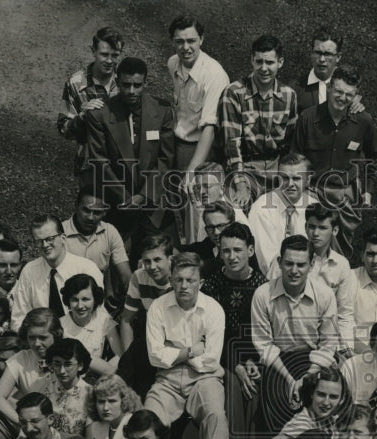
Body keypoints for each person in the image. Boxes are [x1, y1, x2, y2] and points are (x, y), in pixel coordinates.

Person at [144, 252, 229, 439]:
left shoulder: (213, 309)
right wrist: (192, 350)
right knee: (150, 420)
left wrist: (174, 351)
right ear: (171, 279)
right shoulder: (158, 308)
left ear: (200, 282)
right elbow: (155, 356)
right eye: (179, 279)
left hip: (204, 377)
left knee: (215, 414)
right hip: (167, 378)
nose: (184, 286)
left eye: (190, 280)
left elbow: (212, 357)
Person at [84, 56, 175, 260]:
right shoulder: (100, 113)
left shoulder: (162, 110)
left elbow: (165, 159)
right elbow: (99, 161)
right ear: (117, 81)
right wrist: (126, 199)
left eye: (137, 85)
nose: (131, 91)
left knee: (164, 260)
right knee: (116, 264)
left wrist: (143, 196)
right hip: (117, 205)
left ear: (146, 83)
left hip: (153, 203)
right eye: (126, 85)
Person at [251, 234, 342, 434]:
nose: (294, 271)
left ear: (311, 265)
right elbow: (264, 345)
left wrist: (308, 377)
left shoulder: (325, 295)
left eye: (301, 265)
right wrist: (291, 380)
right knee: (278, 409)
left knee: (326, 404)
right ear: (279, 262)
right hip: (279, 362)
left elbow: (328, 344)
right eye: (289, 263)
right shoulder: (263, 294)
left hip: (315, 360)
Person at [291, 64, 377, 257]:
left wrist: (367, 190)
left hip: (344, 196)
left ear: (356, 95)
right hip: (312, 192)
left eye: (349, 95)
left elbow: (374, 158)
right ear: (330, 87)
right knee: (307, 249)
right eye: (339, 91)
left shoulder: (364, 121)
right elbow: (295, 158)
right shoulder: (308, 118)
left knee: (341, 255)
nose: (343, 98)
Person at [202, 222, 267, 439]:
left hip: (254, 356)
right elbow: (209, 336)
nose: (231, 256)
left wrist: (252, 361)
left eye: (238, 250)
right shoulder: (210, 287)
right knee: (232, 384)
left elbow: (264, 333)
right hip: (221, 357)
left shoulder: (263, 288)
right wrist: (236, 365)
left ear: (250, 250)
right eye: (226, 250)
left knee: (256, 383)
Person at [219, 34, 298, 207]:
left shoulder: (289, 95)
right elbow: (231, 144)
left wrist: (286, 179)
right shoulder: (233, 93)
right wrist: (240, 184)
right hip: (247, 168)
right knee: (237, 206)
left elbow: (289, 145)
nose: (264, 68)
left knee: (289, 210)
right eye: (259, 61)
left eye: (269, 62)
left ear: (280, 62)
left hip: (276, 168)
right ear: (252, 61)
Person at [167, 15, 229, 219]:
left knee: (201, 208)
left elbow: (209, 127)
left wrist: (192, 171)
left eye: (191, 41)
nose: (185, 47)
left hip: (203, 149)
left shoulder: (214, 74)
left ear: (201, 39)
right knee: (178, 205)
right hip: (177, 143)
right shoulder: (173, 63)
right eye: (179, 41)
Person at [10, 212, 103, 331]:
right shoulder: (29, 271)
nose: (45, 245)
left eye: (50, 239)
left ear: (63, 238)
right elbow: (18, 318)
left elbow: (99, 314)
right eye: (39, 241)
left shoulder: (87, 269)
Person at [57, 26, 124, 177]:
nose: (109, 61)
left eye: (115, 55)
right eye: (104, 54)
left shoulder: (126, 82)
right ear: (93, 51)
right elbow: (64, 130)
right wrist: (82, 116)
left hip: (123, 166)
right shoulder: (75, 83)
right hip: (89, 166)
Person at [117, 233, 174, 397]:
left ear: (170, 258)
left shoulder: (180, 278)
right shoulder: (139, 276)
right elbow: (127, 320)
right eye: (147, 261)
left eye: (157, 260)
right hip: (151, 341)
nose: (152, 266)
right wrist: (128, 357)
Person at [0, 308, 62, 423]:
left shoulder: (69, 350)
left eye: (43, 338)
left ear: (55, 335)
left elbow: (102, 369)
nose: (37, 344)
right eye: (32, 338)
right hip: (37, 428)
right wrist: (23, 424)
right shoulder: (20, 359)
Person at [300, 204, 357, 349]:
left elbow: (345, 313)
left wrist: (346, 347)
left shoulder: (341, 265)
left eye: (323, 228)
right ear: (305, 227)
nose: (316, 233)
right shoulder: (290, 258)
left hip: (328, 340)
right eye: (312, 227)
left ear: (335, 230)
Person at [61, 186, 132, 299]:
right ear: (76, 207)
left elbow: (126, 276)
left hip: (97, 300)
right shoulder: (60, 233)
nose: (90, 217)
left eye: (97, 212)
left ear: (104, 213)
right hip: (66, 298)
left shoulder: (110, 232)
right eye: (86, 210)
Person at [248, 153, 314, 274]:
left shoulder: (314, 207)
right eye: (284, 178)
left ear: (308, 180)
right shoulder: (261, 208)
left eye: (296, 178)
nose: (290, 184)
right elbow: (265, 261)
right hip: (271, 281)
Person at [58, 274, 121, 377]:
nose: (80, 306)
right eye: (74, 300)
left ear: (95, 299)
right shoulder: (60, 325)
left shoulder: (104, 320)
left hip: (97, 378)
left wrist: (101, 375)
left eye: (85, 299)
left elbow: (120, 355)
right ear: (68, 301)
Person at [30, 338, 94, 436]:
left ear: (80, 365)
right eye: (57, 364)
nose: (62, 371)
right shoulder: (46, 388)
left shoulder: (91, 395)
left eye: (68, 364)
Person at [293, 27, 359, 113]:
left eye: (328, 54)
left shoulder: (350, 90)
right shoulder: (295, 89)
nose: (322, 59)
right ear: (311, 53)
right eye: (318, 53)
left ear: (338, 57)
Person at [85, 373, 142, 439]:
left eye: (112, 401)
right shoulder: (97, 426)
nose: (105, 408)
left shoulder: (137, 424)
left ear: (124, 401)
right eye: (101, 401)